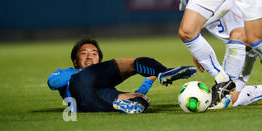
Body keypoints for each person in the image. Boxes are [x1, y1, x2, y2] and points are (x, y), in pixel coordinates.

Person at [47, 37, 197, 114]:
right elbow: (52, 82)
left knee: (140, 99)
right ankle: (161, 71)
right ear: (75, 61)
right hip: (80, 88)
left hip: (91, 105)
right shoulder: (69, 73)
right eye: (83, 53)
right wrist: (82, 72)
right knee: (132, 63)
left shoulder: (101, 81)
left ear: (99, 60)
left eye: (94, 54)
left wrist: (147, 83)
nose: (89, 57)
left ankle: (161, 73)